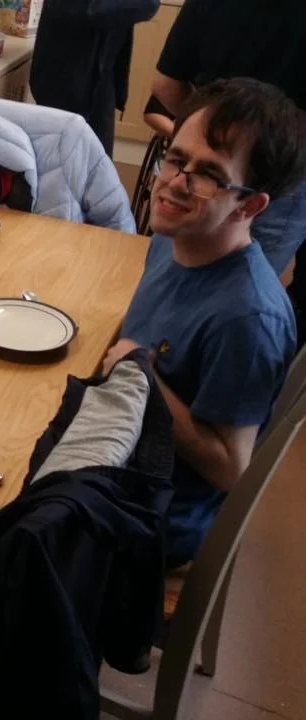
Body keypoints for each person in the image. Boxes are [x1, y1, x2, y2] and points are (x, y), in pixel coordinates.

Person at [102, 78, 306, 568]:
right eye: (176, 159)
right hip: (118, 450)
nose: (175, 183)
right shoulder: (171, 239)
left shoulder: (248, 319)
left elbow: (232, 468)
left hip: (155, 521)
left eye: (209, 175)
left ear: (250, 205)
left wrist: (140, 376)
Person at [148, 0, 306, 310]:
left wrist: (204, 138)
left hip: (200, 172)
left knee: (170, 289)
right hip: (283, 181)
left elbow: (166, 85)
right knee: (238, 304)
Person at [30, 0, 160, 155]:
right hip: (64, 82)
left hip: (100, 77)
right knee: (57, 159)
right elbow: (93, 9)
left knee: (98, 160)